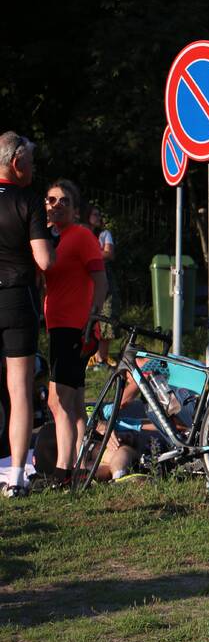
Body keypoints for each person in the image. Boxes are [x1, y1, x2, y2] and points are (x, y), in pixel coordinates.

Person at [43, 179, 107, 489]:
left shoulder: (81, 236)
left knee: (59, 401)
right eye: (50, 200)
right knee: (76, 404)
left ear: (76, 209)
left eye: (63, 201)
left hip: (75, 327)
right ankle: (81, 467)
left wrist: (91, 321)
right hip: (57, 326)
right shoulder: (50, 240)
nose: (55, 205)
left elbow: (101, 280)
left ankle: (62, 472)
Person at [0, 132, 54, 497]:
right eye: (31, 163)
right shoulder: (28, 201)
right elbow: (44, 260)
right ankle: (16, 475)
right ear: (17, 163)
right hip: (17, 300)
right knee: (19, 390)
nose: (34, 170)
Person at [87, 205, 118, 368]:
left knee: (106, 316)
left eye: (99, 214)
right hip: (85, 279)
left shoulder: (105, 234)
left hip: (103, 277)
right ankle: (90, 356)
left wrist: (87, 254)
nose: (98, 217)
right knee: (87, 318)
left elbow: (109, 254)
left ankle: (101, 358)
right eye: (95, 214)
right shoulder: (81, 232)